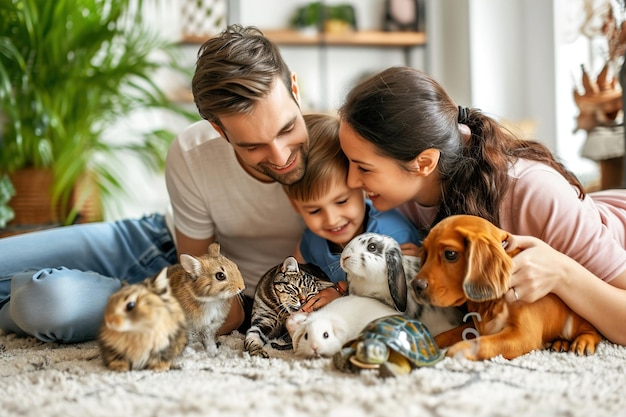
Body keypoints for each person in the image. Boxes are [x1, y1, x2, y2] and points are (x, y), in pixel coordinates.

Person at [0, 24, 309, 343]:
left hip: (218, 299)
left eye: (287, 129)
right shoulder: (193, 151)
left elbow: (221, 312)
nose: (280, 155)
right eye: (251, 146)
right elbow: (194, 266)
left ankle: (28, 303)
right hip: (157, 246)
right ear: (220, 131)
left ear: (295, 90)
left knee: (45, 303)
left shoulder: (342, 158)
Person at [337, 65, 626, 345]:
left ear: (424, 163)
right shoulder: (399, 198)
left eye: (363, 168)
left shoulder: (536, 194)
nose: (351, 182)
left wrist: (562, 273)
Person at [283, 113, 422, 311]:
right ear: (296, 206)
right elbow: (290, 279)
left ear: (361, 183)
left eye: (341, 201)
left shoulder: (393, 235)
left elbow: (404, 300)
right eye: (314, 210)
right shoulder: (311, 241)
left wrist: (341, 292)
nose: (331, 219)